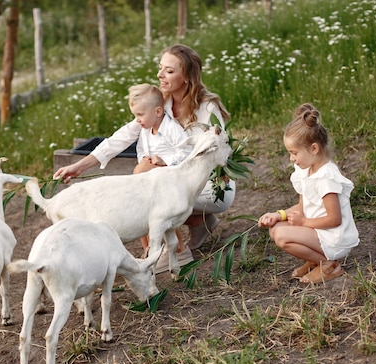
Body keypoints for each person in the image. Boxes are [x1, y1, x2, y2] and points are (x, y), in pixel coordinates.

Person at [54, 44, 235, 256]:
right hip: (177, 182)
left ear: (187, 76)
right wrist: (79, 166)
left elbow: (214, 154)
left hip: (210, 185)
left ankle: (172, 252)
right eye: (160, 68)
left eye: (169, 71)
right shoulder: (160, 101)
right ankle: (198, 222)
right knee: (149, 178)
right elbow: (122, 137)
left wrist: (166, 163)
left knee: (145, 178)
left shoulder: (207, 108)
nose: (160, 75)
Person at [258, 103, 359, 284]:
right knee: (276, 230)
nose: (291, 159)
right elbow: (302, 207)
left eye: (294, 153)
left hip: (333, 236)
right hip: (317, 231)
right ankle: (315, 260)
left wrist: (303, 222)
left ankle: (328, 265)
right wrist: (278, 215)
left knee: (282, 236)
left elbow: (334, 219)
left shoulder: (326, 177)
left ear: (313, 148)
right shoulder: (306, 172)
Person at [126, 83, 193, 270]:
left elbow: (186, 151)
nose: (137, 120)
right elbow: (140, 150)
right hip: (152, 180)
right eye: (135, 115)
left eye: (140, 115)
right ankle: (148, 249)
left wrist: (165, 160)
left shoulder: (171, 128)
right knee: (139, 204)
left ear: (157, 111)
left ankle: (178, 248)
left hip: (170, 179)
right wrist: (144, 160)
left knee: (159, 210)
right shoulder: (145, 131)